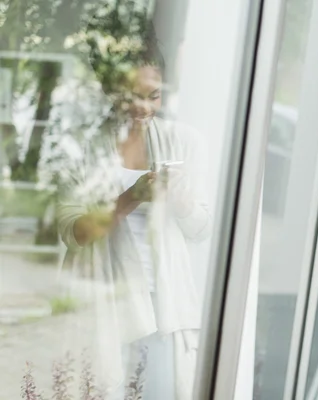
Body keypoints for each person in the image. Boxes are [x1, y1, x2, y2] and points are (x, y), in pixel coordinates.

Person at [52, 4, 210, 399]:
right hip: (101, 302)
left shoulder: (184, 142)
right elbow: (75, 233)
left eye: (154, 96)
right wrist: (129, 199)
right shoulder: (80, 147)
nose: (144, 108)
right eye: (132, 96)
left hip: (162, 305)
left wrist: (178, 199)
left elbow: (201, 227)